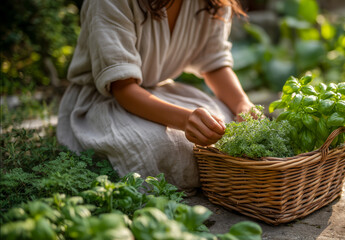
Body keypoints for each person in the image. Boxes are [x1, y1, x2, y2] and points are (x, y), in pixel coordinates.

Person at [57, 0, 255, 190]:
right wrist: (186, 121)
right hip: (106, 100)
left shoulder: (213, 3)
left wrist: (242, 104)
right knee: (159, 146)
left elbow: (214, 64)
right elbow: (123, 88)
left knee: (226, 123)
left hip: (159, 93)